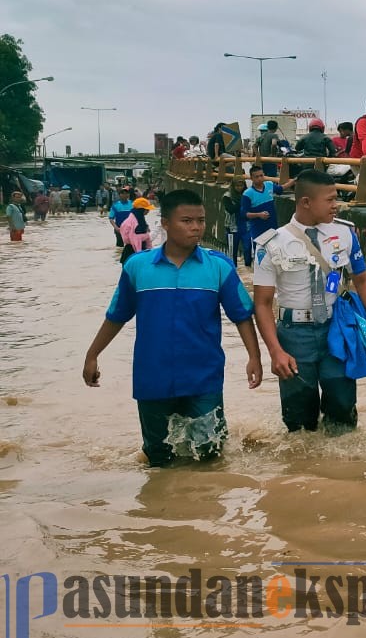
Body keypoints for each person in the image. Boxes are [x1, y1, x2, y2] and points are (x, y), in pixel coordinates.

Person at [82, 189, 261, 467]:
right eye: (186, 221)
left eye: (200, 220)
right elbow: (117, 316)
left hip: (203, 378)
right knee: (158, 459)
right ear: (165, 223)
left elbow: (241, 316)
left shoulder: (219, 267)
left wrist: (254, 357)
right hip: (152, 378)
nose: (196, 228)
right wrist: (92, 355)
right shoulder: (137, 267)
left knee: (210, 457)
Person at [252, 169, 366, 433]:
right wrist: (275, 351)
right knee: (299, 420)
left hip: (336, 330)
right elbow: (261, 303)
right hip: (294, 336)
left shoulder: (345, 234)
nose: (335, 204)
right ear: (306, 202)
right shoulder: (272, 244)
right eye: (329, 199)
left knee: (343, 408)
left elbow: (362, 280)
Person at [241, 165, 283, 246]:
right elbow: (244, 214)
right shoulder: (248, 194)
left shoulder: (269, 185)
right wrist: (259, 215)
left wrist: (294, 181)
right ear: (251, 178)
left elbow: (281, 189)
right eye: (257, 177)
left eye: (261, 175)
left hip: (273, 229)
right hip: (258, 232)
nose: (260, 178)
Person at [223, 177, 252, 268]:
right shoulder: (227, 196)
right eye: (237, 186)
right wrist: (242, 202)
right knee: (232, 250)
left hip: (246, 226)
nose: (239, 188)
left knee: (248, 247)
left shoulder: (248, 194)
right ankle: (233, 268)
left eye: (241, 185)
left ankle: (248, 266)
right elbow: (231, 209)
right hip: (232, 227)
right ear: (233, 186)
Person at [119, 197, 154, 265]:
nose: (148, 211)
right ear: (141, 210)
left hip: (140, 250)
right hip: (132, 252)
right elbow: (130, 239)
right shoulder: (131, 223)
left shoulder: (140, 220)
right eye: (147, 209)